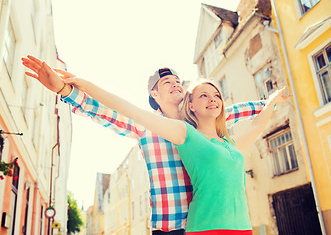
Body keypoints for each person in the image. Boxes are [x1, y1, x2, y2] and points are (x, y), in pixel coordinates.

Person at [22, 55, 270, 234]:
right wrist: (64, 89)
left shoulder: (200, 121)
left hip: (208, 222)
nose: (175, 84)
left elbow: (235, 111)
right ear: (154, 95)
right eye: (167, 83)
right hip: (170, 225)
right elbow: (101, 111)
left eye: (178, 81)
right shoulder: (145, 126)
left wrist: (271, 100)